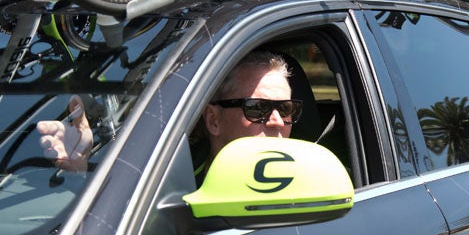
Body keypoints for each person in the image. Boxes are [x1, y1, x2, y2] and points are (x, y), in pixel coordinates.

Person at [38, 51, 302, 174]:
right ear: (213, 119)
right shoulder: (168, 179)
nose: (278, 122)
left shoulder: (308, 181)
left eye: (286, 108)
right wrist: (78, 170)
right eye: (258, 109)